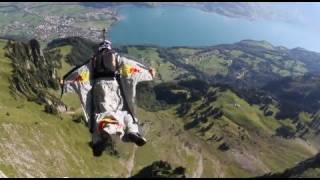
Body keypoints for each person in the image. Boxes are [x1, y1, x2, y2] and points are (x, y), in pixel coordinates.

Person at [61, 40, 156, 156]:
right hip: (114, 86)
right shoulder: (116, 58)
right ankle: (132, 131)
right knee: (125, 112)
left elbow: (80, 73)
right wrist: (148, 72)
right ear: (109, 47)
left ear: (99, 48)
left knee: (100, 113)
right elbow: (130, 66)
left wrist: (66, 82)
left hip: (98, 88)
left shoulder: (93, 61)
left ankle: (98, 140)